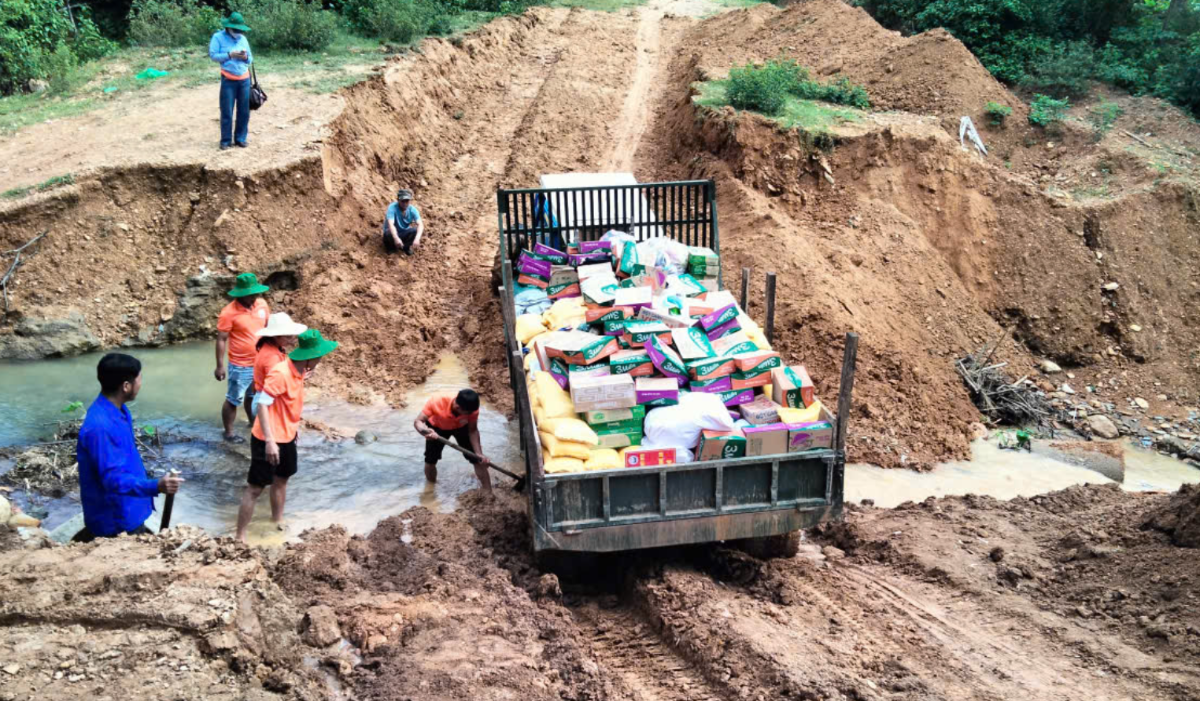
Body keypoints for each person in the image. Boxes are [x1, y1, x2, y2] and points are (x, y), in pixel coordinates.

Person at [235, 328, 338, 542]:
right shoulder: (280, 373)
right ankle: (240, 536)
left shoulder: (298, 371)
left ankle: (277, 521)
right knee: (255, 488)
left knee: (282, 479)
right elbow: (262, 405)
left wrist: (293, 429)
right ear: (312, 356)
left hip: (288, 435)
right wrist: (270, 442)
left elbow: (288, 403)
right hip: (267, 438)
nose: (321, 359)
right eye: (320, 356)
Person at [75, 353, 184, 542]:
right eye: (139, 380)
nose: (141, 384)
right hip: (116, 520)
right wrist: (156, 485)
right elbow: (113, 480)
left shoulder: (120, 411)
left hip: (130, 508)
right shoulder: (99, 427)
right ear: (126, 386)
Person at [216, 272, 270, 443]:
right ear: (241, 294)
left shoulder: (262, 304)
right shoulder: (228, 312)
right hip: (240, 364)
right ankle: (229, 433)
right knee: (233, 399)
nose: (255, 296)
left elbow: (268, 330)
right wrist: (219, 366)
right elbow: (221, 339)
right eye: (251, 294)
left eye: (256, 293)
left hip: (260, 361)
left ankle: (252, 423)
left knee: (253, 396)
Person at [414, 389, 494, 492]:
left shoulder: (472, 409)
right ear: (457, 407)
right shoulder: (437, 401)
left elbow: (473, 431)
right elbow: (418, 421)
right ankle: (430, 489)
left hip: (461, 427)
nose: (471, 414)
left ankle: (488, 492)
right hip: (437, 428)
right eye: (468, 413)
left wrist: (479, 453)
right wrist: (425, 431)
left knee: (478, 460)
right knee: (430, 461)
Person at [209, 12, 254, 150]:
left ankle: (241, 139)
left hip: (244, 79)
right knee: (227, 111)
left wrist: (245, 57)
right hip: (228, 79)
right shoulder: (218, 37)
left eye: (240, 30)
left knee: (244, 111)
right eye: (236, 30)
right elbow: (213, 55)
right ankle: (226, 141)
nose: (238, 32)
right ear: (228, 28)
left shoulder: (243, 39)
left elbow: (251, 59)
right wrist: (229, 55)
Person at [251, 312, 307, 417]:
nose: (292, 341)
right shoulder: (272, 357)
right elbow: (278, 384)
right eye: (288, 337)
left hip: (262, 399)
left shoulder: (270, 346)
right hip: (267, 405)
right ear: (276, 337)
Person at [382, 188, 424, 255]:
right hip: (392, 234)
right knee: (388, 232)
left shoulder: (413, 210)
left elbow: (420, 225)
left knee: (415, 231)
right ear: (398, 200)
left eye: (407, 201)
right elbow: (391, 224)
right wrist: (396, 238)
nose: (405, 203)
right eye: (402, 201)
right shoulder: (392, 208)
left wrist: (417, 238)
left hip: (403, 232)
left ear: (409, 201)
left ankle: (405, 247)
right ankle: (391, 247)